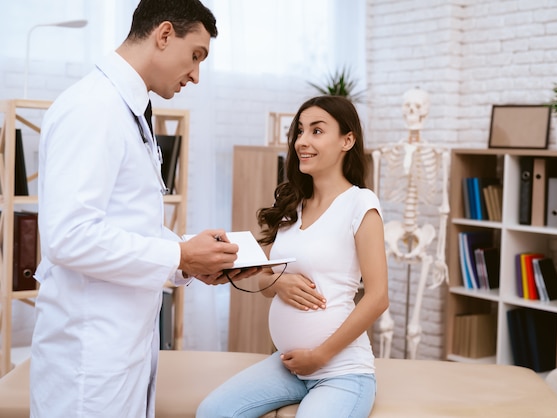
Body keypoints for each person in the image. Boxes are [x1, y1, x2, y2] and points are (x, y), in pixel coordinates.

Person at [30, 1, 257, 417]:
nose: (196, 74)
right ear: (165, 34)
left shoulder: (128, 109)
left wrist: (189, 260)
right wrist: (180, 255)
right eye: (196, 56)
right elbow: (69, 237)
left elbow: (129, 223)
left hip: (122, 350)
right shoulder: (93, 108)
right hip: (89, 361)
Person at [196, 95, 389, 418]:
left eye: (316, 131)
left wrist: (320, 356)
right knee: (212, 412)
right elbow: (265, 277)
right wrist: (280, 282)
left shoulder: (360, 204)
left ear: (347, 140)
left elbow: (378, 297)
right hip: (289, 365)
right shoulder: (294, 205)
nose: (302, 141)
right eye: (299, 131)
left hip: (339, 370)